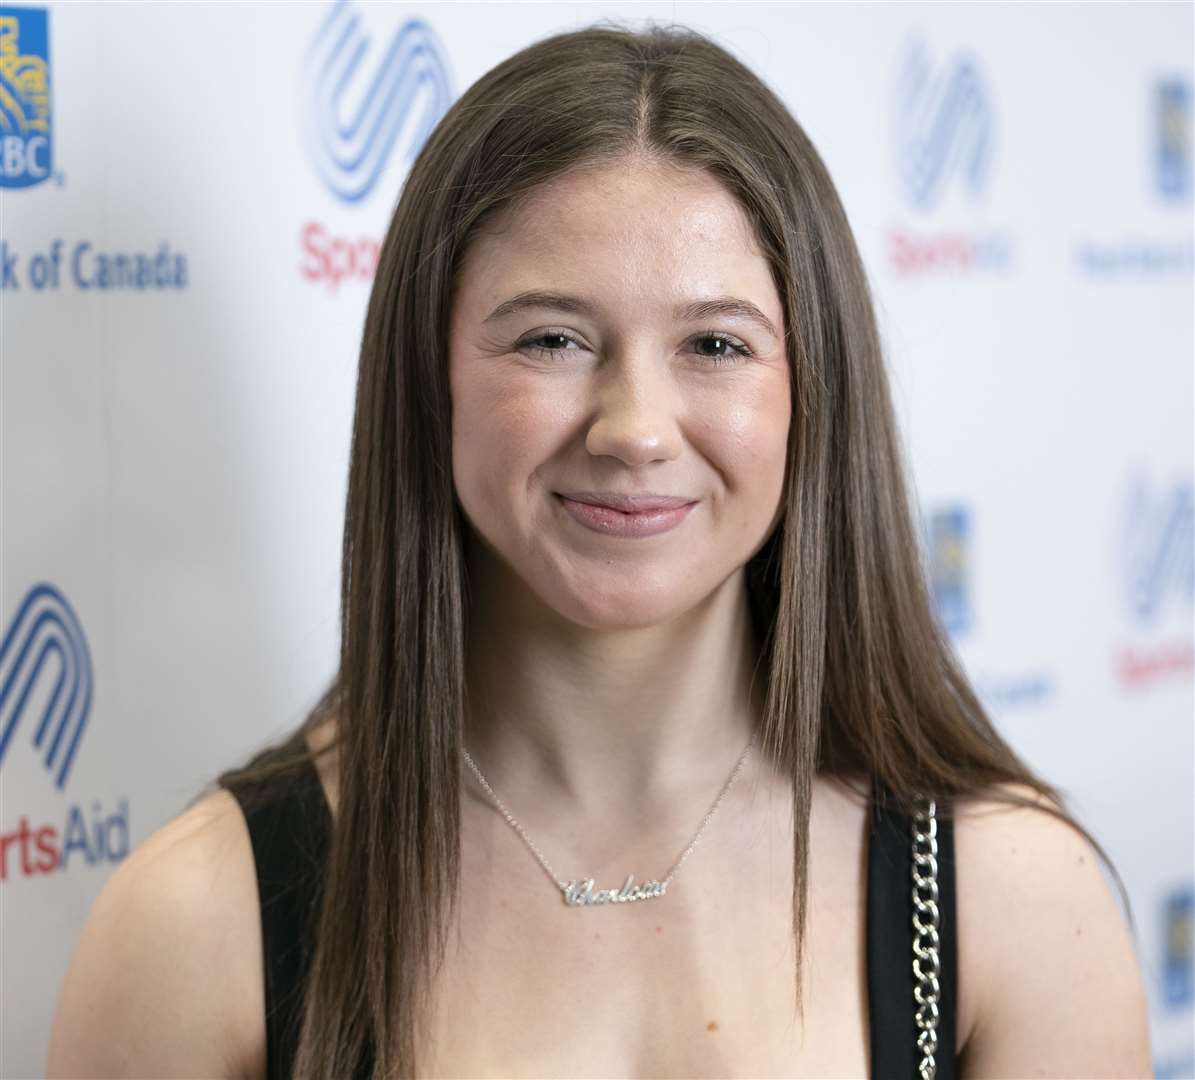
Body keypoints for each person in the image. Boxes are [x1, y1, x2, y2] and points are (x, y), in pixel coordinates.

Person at [47, 21, 1153, 1080]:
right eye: (552, 339)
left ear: (813, 391)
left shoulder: (1006, 895)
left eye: (715, 344)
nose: (633, 427)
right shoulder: (201, 922)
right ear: (426, 378)